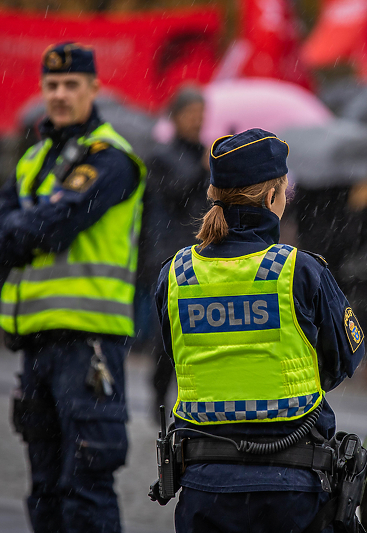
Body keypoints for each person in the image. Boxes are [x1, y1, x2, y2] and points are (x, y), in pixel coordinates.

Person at [154, 128, 365, 533]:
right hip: (293, 491)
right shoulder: (299, 271)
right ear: (273, 199)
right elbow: (341, 363)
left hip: (204, 490)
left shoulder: (175, 274)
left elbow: (176, 353)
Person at [0, 42, 145, 533]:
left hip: (88, 345)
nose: (60, 94)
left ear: (94, 89)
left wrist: (24, 227)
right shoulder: (34, 158)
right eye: (51, 85)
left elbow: (51, 226)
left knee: (86, 491)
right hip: (36, 346)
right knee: (45, 493)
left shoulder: (112, 157)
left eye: (71, 84)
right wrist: (27, 226)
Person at [139, 86, 207, 420]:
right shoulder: (160, 157)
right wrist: (204, 170)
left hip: (202, 252)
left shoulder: (207, 155)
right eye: (190, 114)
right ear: (175, 117)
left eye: (201, 114)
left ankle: (192, 398)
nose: (197, 121)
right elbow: (177, 195)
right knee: (168, 331)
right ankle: (158, 391)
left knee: (198, 330)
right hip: (168, 253)